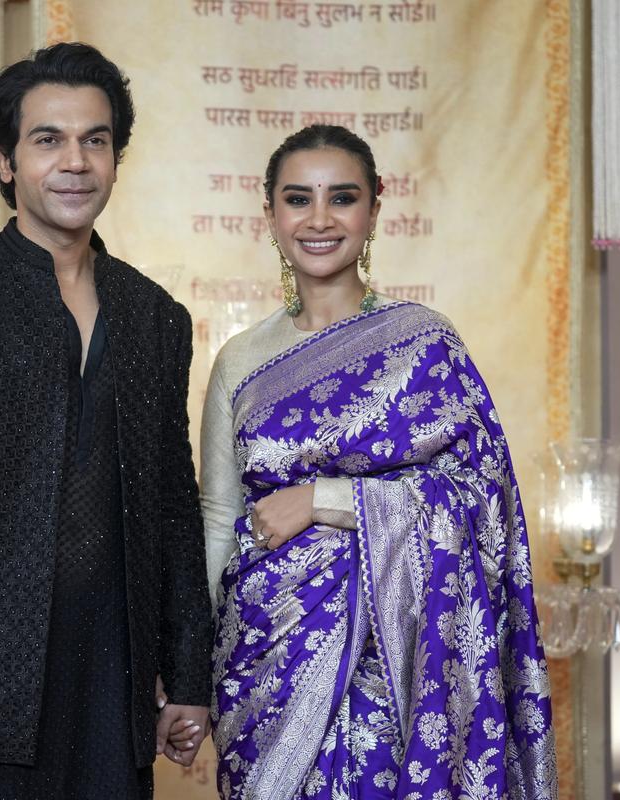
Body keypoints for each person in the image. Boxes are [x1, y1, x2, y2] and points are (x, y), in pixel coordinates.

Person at [0, 42, 212, 799]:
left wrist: (188, 676)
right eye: (47, 139)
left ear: (117, 159)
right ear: (4, 161)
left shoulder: (156, 317)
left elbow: (174, 510)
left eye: (96, 140)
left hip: (113, 699)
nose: (75, 162)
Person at [201, 125, 557, 799]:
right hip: (265, 654)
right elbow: (219, 515)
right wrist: (187, 668)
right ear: (270, 213)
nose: (320, 219)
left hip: (400, 663)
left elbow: (485, 498)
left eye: (342, 198)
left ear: (374, 209)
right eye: (298, 199)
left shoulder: (424, 342)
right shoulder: (240, 362)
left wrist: (326, 501)